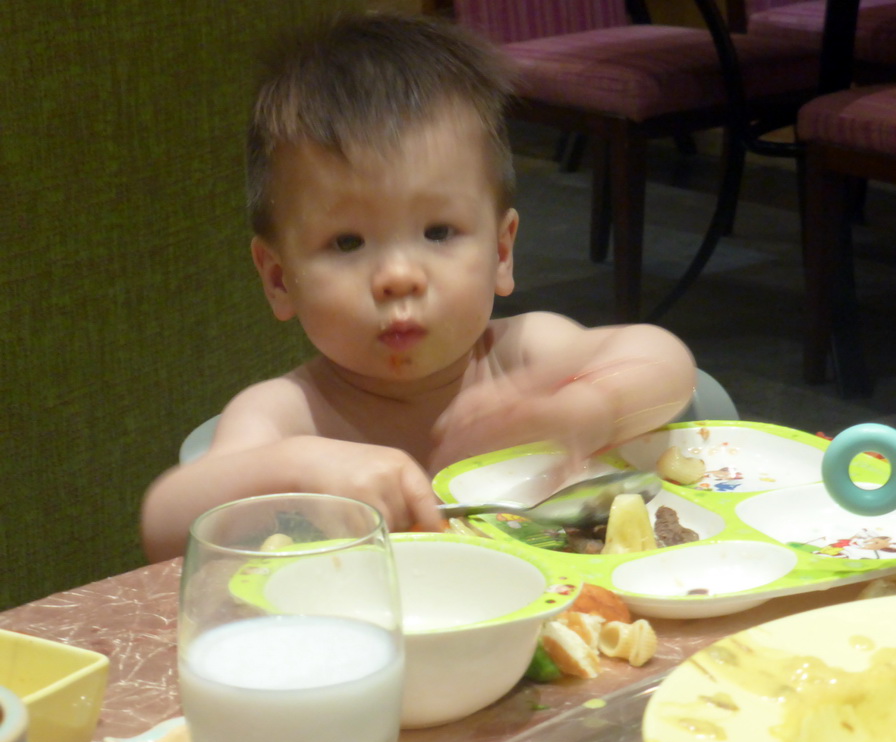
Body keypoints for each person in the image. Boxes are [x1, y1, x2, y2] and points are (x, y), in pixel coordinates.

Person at [140, 12, 696, 562]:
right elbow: (163, 523)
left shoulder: (523, 357)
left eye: (438, 232)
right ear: (280, 279)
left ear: (500, 252)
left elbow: (666, 360)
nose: (398, 276)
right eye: (348, 242)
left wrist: (594, 404)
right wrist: (298, 465)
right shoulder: (287, 415)